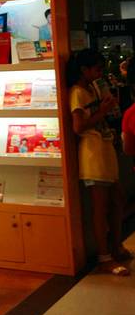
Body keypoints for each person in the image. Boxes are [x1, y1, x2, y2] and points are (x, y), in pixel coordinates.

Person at [67, 48, 130, 275]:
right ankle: (104, 256)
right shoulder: (76, 92)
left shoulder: (93, 87)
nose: (100, 73)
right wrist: (102, 111)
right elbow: (78, 127)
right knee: (100, 207)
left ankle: (115, 246)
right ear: (84, 70)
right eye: (97, 69)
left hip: (104, 149)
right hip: (92, 154)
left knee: (116, 201)